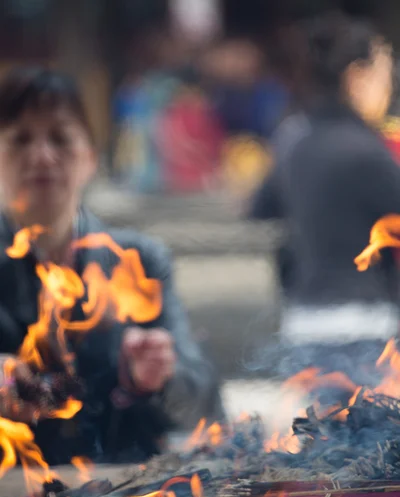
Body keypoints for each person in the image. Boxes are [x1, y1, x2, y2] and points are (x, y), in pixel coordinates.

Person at [0, 67, 223, 465]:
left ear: (89, 158)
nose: (42, 155)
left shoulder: (138, 261)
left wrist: (156, 378)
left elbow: (200, 398)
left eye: (60, 138)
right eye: (20, 139)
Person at [247, 13, 400, 382]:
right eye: (385, 74)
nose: (390, 88)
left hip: (304, 321)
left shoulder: (291, 137)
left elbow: (260, 208)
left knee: (319, 435)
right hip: (364, 326)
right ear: (356, 76)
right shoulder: (367, 151)